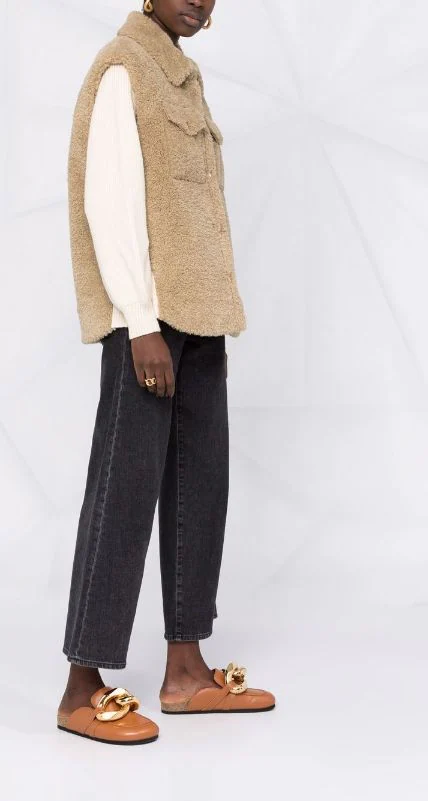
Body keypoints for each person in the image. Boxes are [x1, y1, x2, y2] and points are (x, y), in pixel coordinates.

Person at [56, 1, 275, 746]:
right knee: (124, 491)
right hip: (148, 322)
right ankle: (81, 685)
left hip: (200, 316)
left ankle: (186, 670)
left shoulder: (183, 76)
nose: (200, 1)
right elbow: (109, 202)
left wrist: (196, 320)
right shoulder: (125, 69)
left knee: (199, 487)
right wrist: (139, 320)